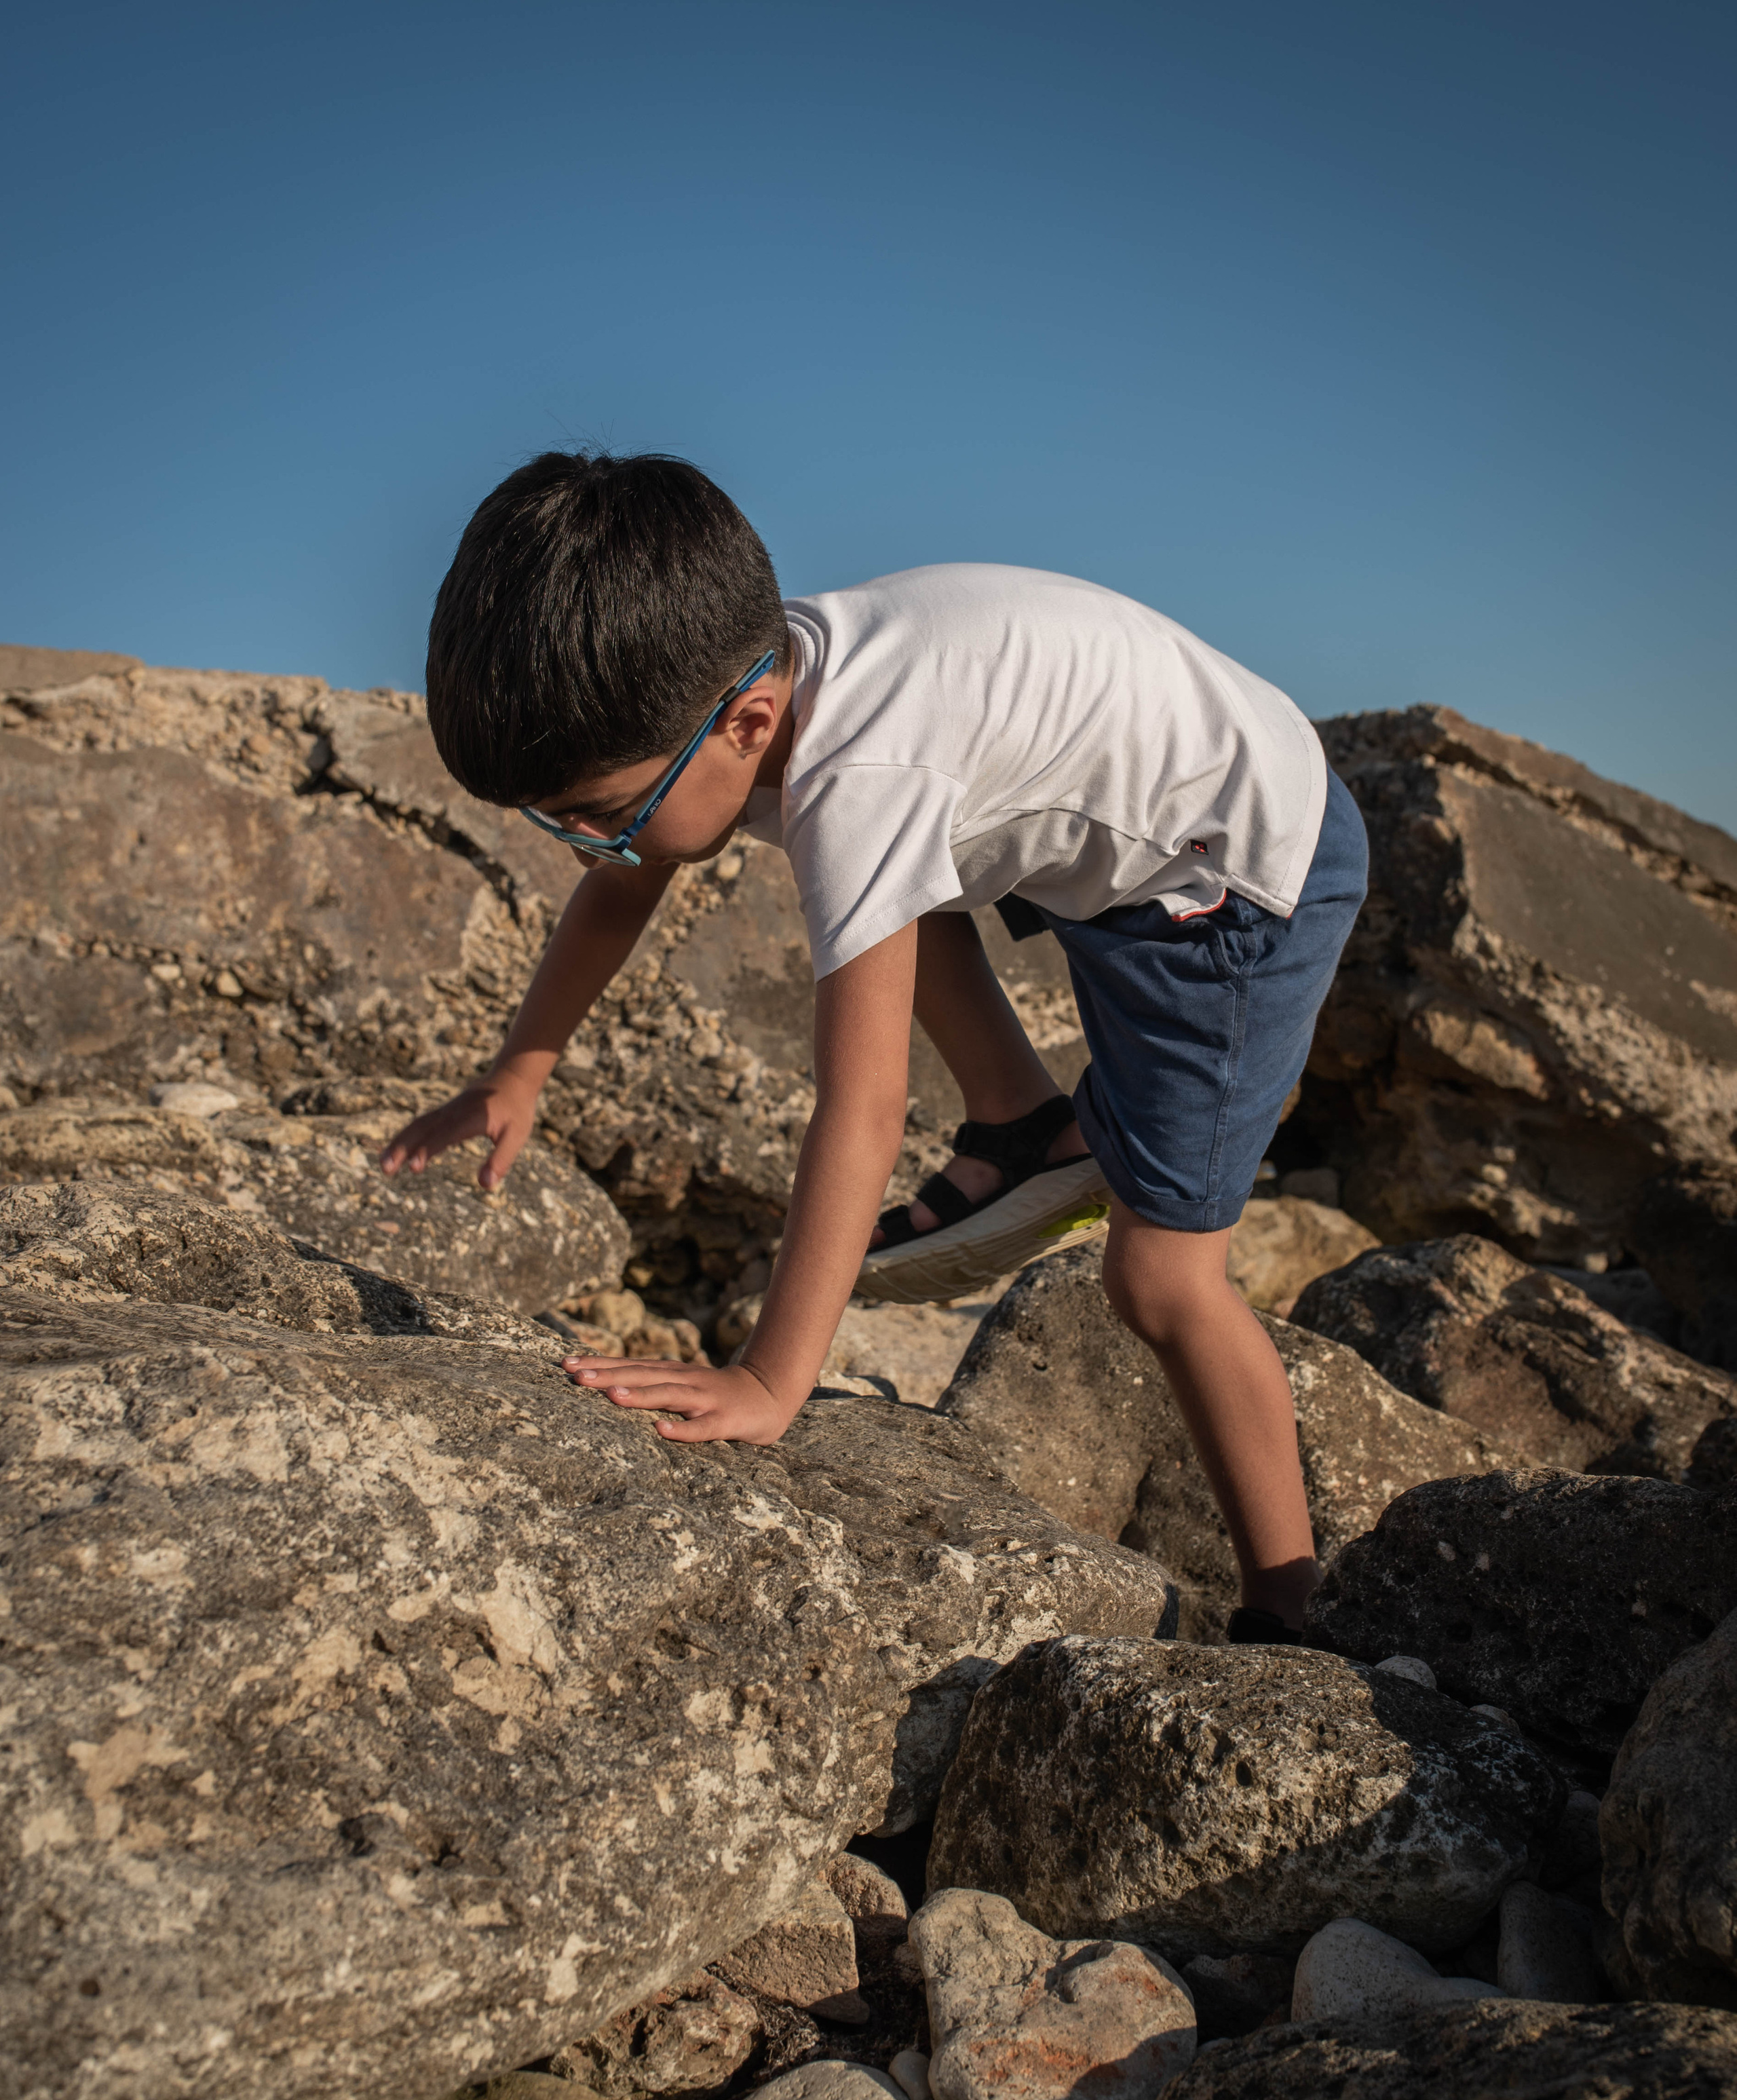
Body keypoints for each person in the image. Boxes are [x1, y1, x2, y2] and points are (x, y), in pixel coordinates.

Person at [382, 451, 1367, 1639]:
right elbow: (630, 877)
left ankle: (1292, 1601)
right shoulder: (756, 681)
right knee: (869, 887)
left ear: (746, 722)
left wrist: (769, 1378)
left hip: (1241, 873)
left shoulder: (858, 772)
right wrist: (519, 1068)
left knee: (1159, 1281)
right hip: (1138, 819)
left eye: (599, 812)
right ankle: (1023, 1127)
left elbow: (862, 1102)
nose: (588, 844)